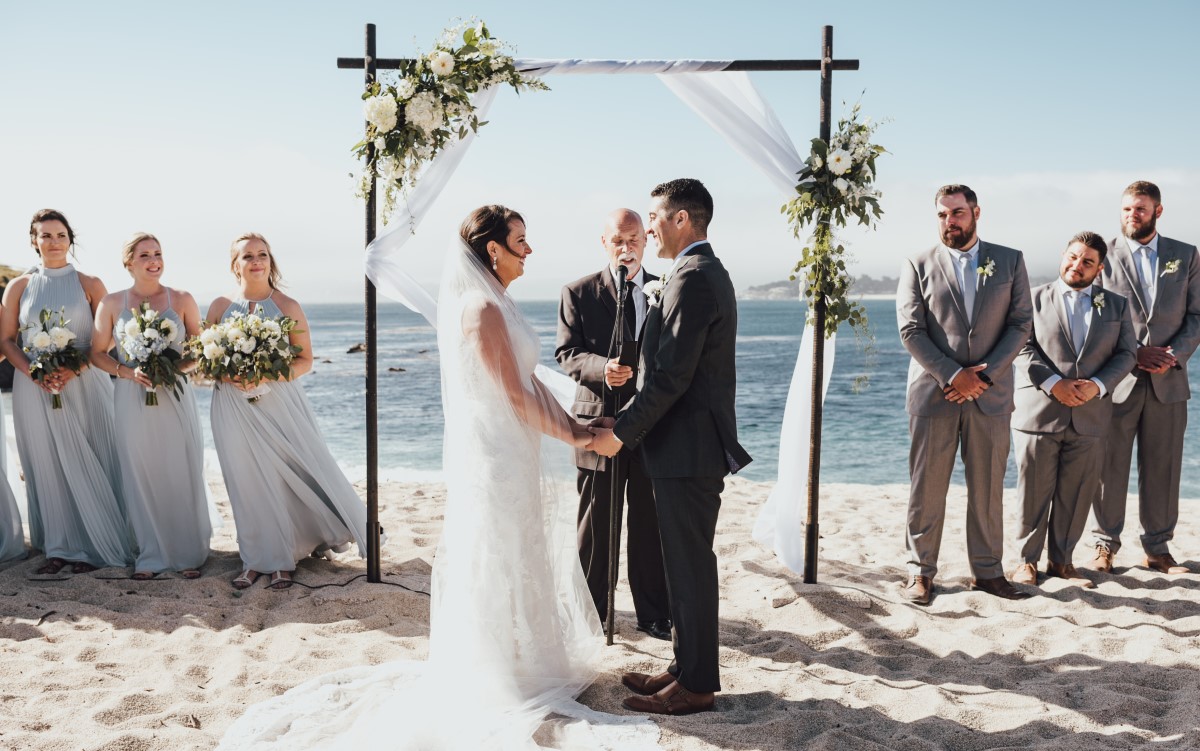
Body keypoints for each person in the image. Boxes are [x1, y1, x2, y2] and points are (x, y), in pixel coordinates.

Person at [216, 208, 657, 750]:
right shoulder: (480, 310)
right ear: (493, 250)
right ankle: (497, 669)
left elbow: (531, 384)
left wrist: (577, 422)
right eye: (522, 241)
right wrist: (579, 439)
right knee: (496, 552)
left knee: (521, 548)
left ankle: (526, 659)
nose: (531, 250)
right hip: (494, 456)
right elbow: (515, 397)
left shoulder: (501, 301)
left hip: (513, 450)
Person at [591, 178, 752, 716]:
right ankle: (684, 667)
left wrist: (619, 433)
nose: (650, 226)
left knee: (690, 568)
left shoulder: (695, 277)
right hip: (680, 450)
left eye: (656, 216)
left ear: (683, 219)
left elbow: (669, 379)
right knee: (680, 564)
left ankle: (698, 684)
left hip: (688, 452)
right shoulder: (691, 273)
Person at [895, 184, 1033, 605]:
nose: (949, 222)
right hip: (934, 395)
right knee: (927, 488)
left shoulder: (1010, 260)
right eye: (942, 215)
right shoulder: (917, 262)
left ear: (975, 212)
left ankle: (989, 572)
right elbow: (910, 330)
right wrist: (953, 375)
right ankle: (920, 573)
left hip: (990, 397)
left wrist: (983, 377)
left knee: (988, 487)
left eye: (956, 213)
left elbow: (1021, 323)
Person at [207, 233, 368, 591]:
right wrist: (229, 373)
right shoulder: (219, 307)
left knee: (282, 478)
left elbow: (305, 361)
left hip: (277, 403)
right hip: (232, 405)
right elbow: (209, 362)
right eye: (247, 256)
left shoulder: (288, 306)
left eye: (262, 254)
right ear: (235, 265)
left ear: (271, 261)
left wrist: (262, 374)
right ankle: (255, 559)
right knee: (244, 481)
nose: (256, 261)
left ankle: (281, 559)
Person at [555, 208, 671, 640]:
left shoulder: (665, 289)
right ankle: (592, 613)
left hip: (650, 426)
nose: (627, 248)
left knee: (649, 524)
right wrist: (603, 368)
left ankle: (654, 614)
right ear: (604, 243)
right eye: (618, 241)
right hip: (598, 422)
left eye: (634, 239)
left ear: (646, 240)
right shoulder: (578, 292)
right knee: (595, 524)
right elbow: (567, 354)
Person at [0, 209, 130, 574]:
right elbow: (8, 340)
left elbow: (107, 341)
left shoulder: (91, 284)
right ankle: (59, 547)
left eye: (60, 235)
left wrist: (74, 369)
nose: (53, 242)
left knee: (97, 453)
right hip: (34, 387)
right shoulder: (19, 286)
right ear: (34, 241)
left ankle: (96, 542)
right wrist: (34, 373)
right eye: (45, 235)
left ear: (70, 239)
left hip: (85, 383)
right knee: (47, 462)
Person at [1010, 232, 1136, 588]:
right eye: (1073, 256)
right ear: (1063, 255)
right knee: (1032, 493)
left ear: (1099, 269)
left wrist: (1096, 386)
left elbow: (1126, 355)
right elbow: (1022, 347)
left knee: (1077, 494)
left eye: (1087, 262)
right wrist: (1053, 383)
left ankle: (1062, 562)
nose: (1076, 265)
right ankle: (1025, 562)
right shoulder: (1031, 300)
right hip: (1039, 412)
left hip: (1091, 415)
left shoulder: (1117, 305)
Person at [1089, 181, 1200, 575]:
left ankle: (1157, 548)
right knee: (1108, 466)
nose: (1131, 216)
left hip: (1168, 380)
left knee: (1164, 467)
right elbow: (1094, 316)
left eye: (1139, 209)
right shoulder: (1103, 255)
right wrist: (1133, 353)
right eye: (1125, 210)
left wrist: (1173, 355)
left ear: (1158, 211)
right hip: (1118, 380)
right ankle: (1105, 544)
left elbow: (1196, 316)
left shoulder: (1185, 255)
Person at [89, 232, 212, 580]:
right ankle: (151, 553)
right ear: (129, 262)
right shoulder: (112, 303)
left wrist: (171, 369)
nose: (154, 260)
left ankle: (186, 552)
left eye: (158, 253)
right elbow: (96, 353)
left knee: (179, 467)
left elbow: (199, 351)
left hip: (174, 396)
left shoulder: (183, 299)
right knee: (139, 470)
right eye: (145, 255)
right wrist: (127, 372)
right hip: (131, 396)